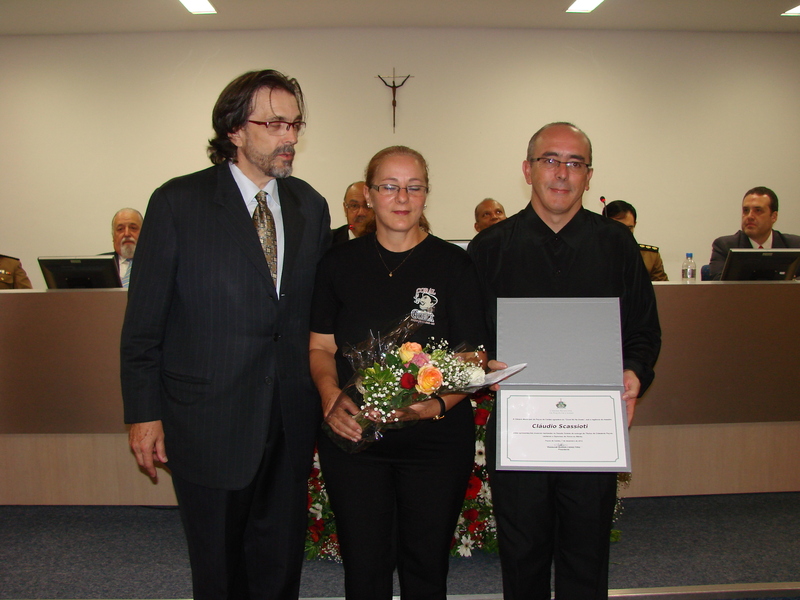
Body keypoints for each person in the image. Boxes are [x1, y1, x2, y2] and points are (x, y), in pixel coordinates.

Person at [120, 69, 331, 600]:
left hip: (288, 418)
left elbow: (314, 314)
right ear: (234, 130)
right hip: (207, 420)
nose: (289, 136)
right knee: (218, 571)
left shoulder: (310, 205)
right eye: (274, 124)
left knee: (280, 565)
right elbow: (144, 324)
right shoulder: (178, 203)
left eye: (295, 124)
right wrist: (143, 414)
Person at [469, 122, 661, 600]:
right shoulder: (490, 248)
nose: (561, 173)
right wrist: (482, 364)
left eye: (575, 163)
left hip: (591, 432)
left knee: (586, 556)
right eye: (550, 160)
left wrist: (633, 372)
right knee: (522, 555)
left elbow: (644, 330)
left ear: (589, 176)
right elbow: (469, 337)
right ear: (527, 170)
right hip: (519, 430)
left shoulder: (617, 244)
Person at [309, 145, 488, 600]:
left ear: (426, 194)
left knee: (426, 566)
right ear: (369, 195)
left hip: (435, 442)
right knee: (363, 565)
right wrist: (330, 397)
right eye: (389, 186)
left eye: (414, 187)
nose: (402, 198)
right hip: (354, 437)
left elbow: (473, 359)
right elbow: (321, 346)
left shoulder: (454, 265)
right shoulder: (337, 263)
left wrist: (433, 406)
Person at [708, 186, 800, 280]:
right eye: (746, 210)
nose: (750, 216)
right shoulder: (724, 246)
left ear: (773, 216)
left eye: (758, 210)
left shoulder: (795, 245)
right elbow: (719, 284)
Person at [602, 200, 668, 281]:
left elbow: (662, 287)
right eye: (619, 228)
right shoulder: (593, 254)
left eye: (629, 228)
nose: (624, 233)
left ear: (634, 225)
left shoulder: (650, 257)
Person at [110, 208, 143, 288]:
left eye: (133, 228)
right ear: (113, 236)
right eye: (120, 229)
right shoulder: (98, 263)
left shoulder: (158, 263)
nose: (126, 234)